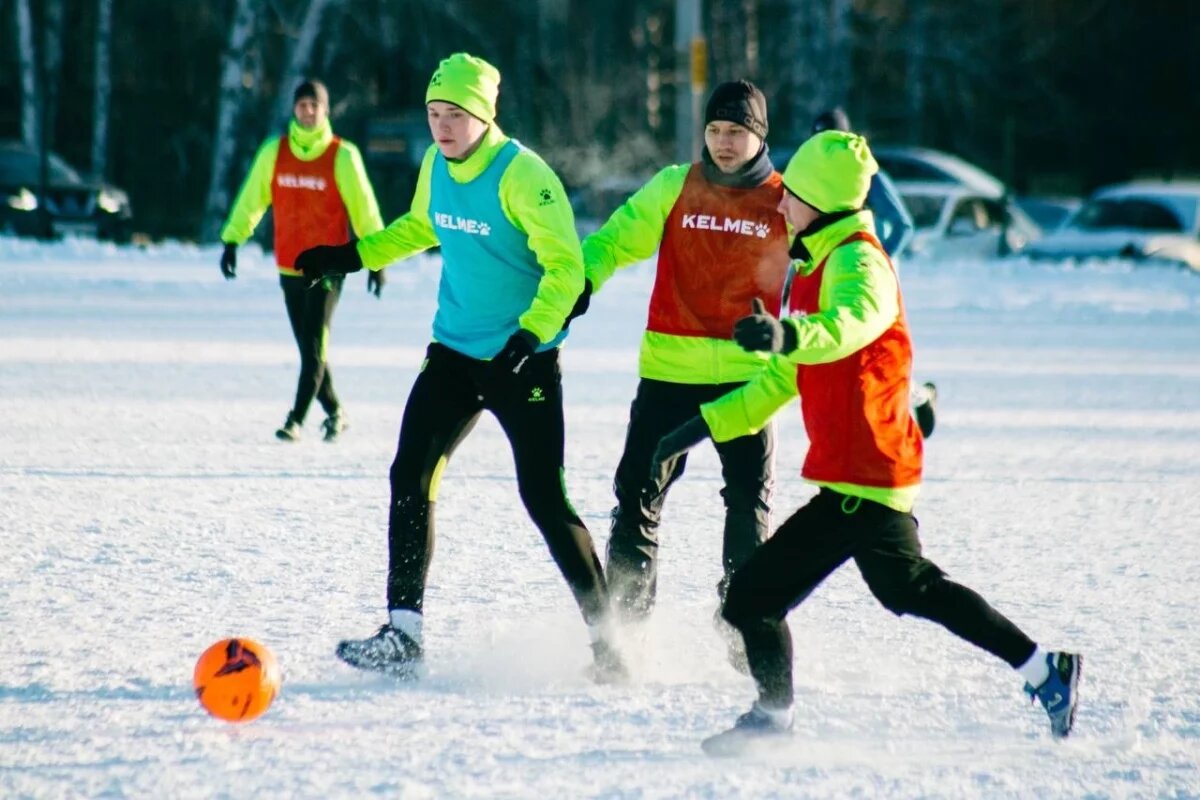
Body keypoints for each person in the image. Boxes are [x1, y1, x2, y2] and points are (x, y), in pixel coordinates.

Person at [650, 131, 1080, 755]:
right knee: (909, 589)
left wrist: (787, 335)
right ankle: (1046, 670)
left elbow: (850, 326)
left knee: (751, 600)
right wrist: (696, 429)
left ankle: (773, 721)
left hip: (867, 473)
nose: (780, 206)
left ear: (820, 201)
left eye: (792, 196)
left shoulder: (859, 261)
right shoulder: (814, 263)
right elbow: (782, 379)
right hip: (865, 473)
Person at [293, 53, 623, 681]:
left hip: (523, 358)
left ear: (484, 115)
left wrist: (533, 334)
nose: (441, 127)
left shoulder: (525, 176)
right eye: (433, 114)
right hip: (452, 351)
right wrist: (354, 254)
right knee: (408, 475)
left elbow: (567, 268)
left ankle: (609, 642)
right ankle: (404, 635)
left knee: (543, 498)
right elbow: (422, 225)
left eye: (455, 116)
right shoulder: (435, 164)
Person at [567, 81, 790, 664]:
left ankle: (745, 626)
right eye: (714, 131)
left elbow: (826, 271)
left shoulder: (785, 200)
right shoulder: (675, 186)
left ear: (759, 135)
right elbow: (616, 239)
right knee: (637, 495)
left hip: (749, 380)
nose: (722, 142)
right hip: (669, 372)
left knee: (747, 505)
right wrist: (583, 280)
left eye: (736, 132)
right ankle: (622, 635)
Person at [219, 79, 385, 443]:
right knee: (311, 349)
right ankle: (336, 412)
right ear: (294, 110)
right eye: (302, 105)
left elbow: (365, 212)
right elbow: (252, 200)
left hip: (329, 267)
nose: (308, 112)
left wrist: (378, 259)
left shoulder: (343, 156)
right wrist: (233, 240)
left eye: (315, 106)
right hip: (289, 266)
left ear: (326, 111)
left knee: (313, 348)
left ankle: (295, 419)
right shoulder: (273, 153)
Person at [810, 107, 938, 438]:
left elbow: (903, 224)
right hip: (834, 270)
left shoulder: (869, 175)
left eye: (833, 139)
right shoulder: (812, 177)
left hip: (870, 273)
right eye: (819, 139)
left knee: (879, 353)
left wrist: (878, 257)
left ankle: (916, 399)